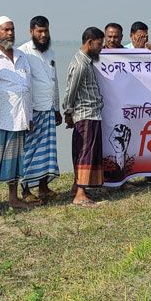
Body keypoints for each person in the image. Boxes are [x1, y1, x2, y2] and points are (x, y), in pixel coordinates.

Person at [0, 16, 33, 214]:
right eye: (5, 30)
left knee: (16, 161)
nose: (10, 33)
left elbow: (27, 88)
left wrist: (29, 116)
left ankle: (13, 198)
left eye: (12, 29)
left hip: (20, 118)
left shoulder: (21, 56)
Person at [17, 16, 62, 203]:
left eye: (46, 31)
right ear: (31, 32)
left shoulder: (50, 53)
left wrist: (57, 108)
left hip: (49, 108)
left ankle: (43, 187)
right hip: (33, 110)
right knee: (30, 151)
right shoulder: (22, 52)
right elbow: (22, 85)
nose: (43, 35)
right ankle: (26, 190)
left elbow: (54, 81)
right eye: (39, 31)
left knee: (47, 151)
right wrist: (26, 114)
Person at [63, 27, 105, 207]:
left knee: (86, 151)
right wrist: (68, 112)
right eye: (99, 44)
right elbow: (70, 90)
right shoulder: (80, 63)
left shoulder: (87, 62)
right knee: (85, 153)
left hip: (93, 113)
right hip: (85, 114)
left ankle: (77, 187)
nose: (101, 48)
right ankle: (80, 194)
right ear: (90, 42)